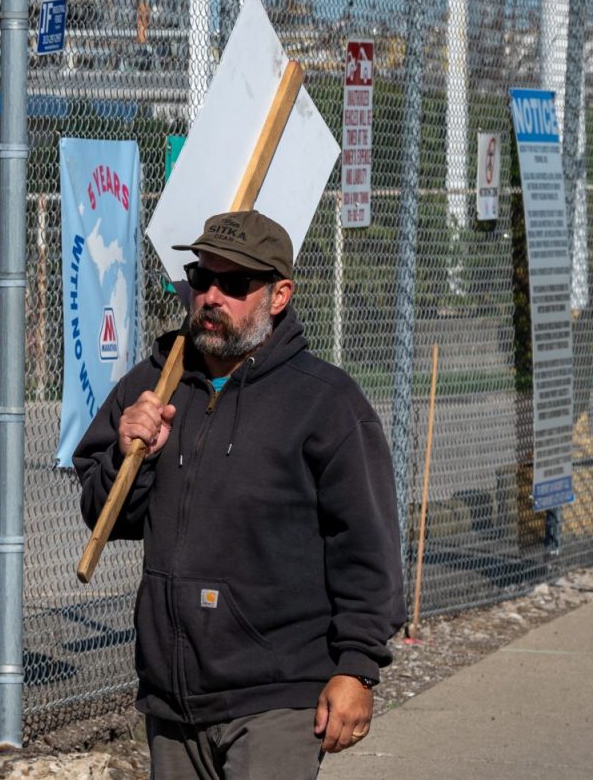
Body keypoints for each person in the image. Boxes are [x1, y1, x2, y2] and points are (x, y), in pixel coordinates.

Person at [69, 210, 404, 780]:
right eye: (202, 279)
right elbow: (105, 515)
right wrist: (134, 454)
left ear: (278, 295)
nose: (212, 296)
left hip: (278, 691)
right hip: (172, 695)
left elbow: (367, 547)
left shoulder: (326, 403)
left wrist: (357, 667)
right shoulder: (152, 386)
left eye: (235, 284)